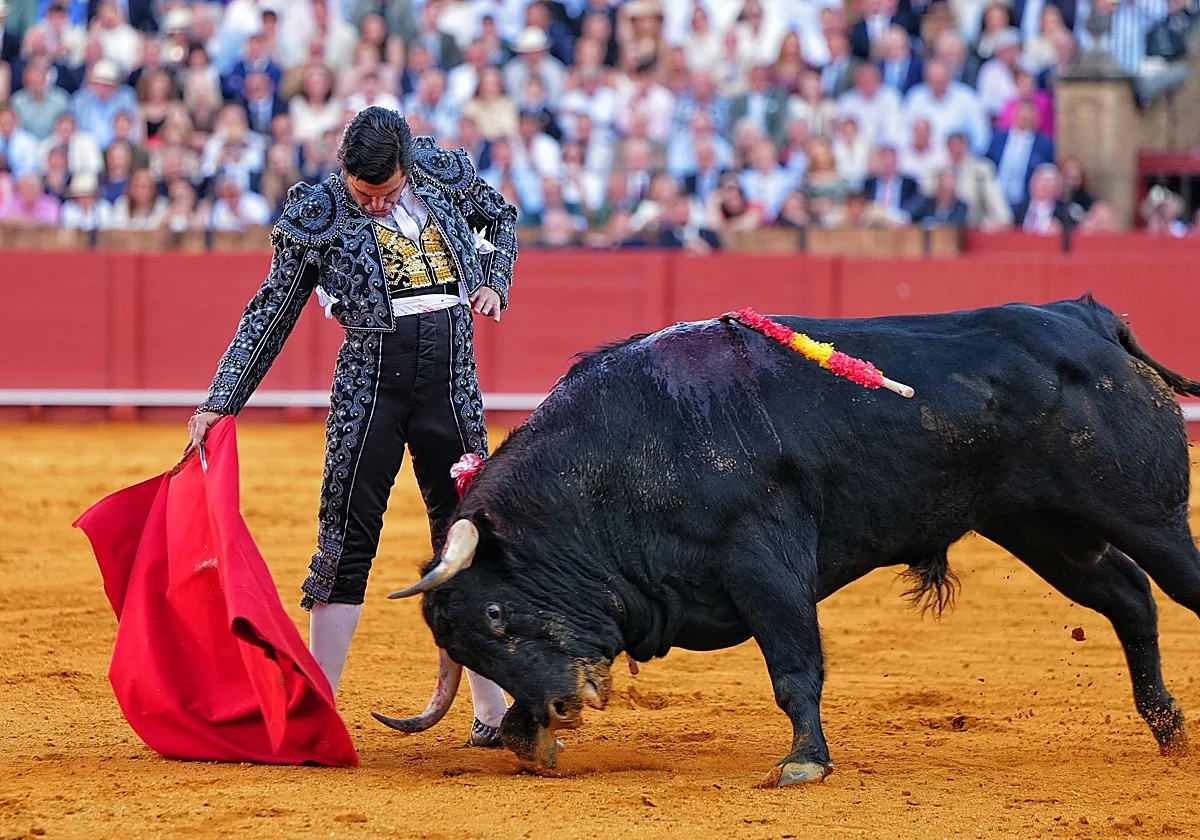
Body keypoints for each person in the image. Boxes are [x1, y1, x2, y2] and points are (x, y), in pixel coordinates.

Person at [186, 107, 518, 748]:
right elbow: (270, 314)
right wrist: (220, 400)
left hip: (451, 385)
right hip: (371, 388)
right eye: (363, 194)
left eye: (388, 193)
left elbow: (501, 217)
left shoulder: (443, 171)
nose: (373, 205)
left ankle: (493, 712)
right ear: (343, 171)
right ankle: (321, 706)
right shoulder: (318, 212)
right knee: (344, 538)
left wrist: (496, 282)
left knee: (467, 536)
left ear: (406, 164)